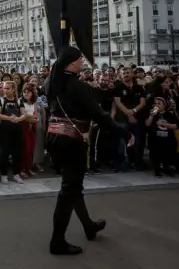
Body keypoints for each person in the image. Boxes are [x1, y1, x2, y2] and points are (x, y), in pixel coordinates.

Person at [45, 47, 134, 256]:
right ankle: (57, 241)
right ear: (71, 63)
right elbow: (99, 114)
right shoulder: (77, 85)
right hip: (71, 140)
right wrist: (124, 133)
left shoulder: (51, 82)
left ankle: (88, 225)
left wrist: (109, 89)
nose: (82, 63)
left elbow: (94, 95)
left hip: (55, 138)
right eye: (79, 60)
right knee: (69, 190)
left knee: (72, 186)